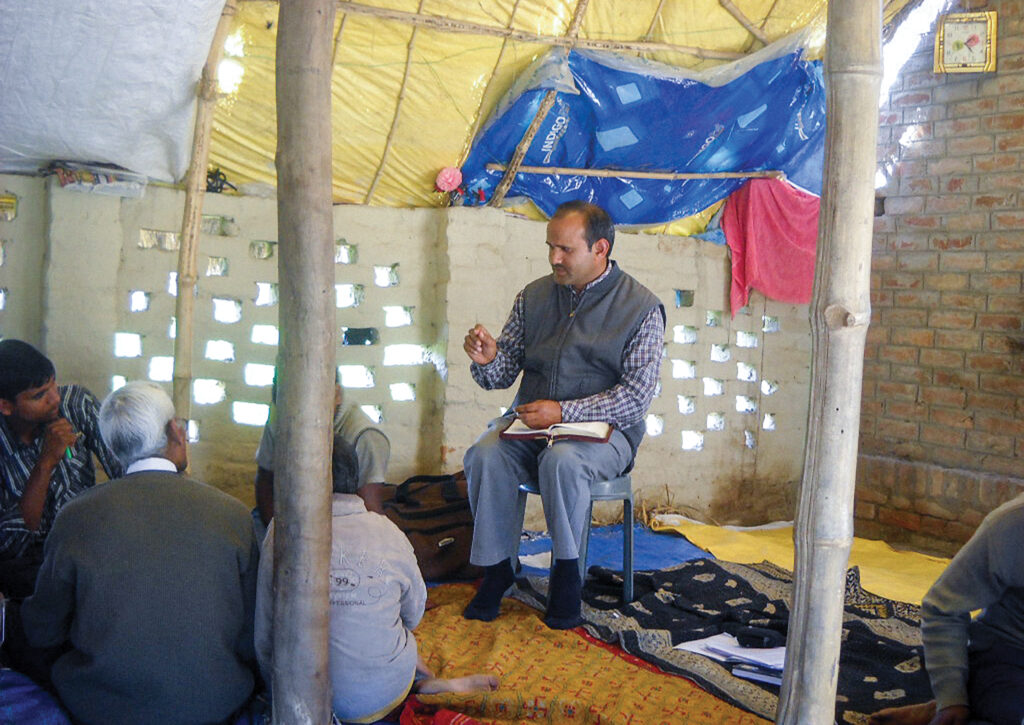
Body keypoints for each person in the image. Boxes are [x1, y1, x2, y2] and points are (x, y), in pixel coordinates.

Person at [461, 200, 665, 629]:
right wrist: (487, 358)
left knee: (562, 459)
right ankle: (499, 570)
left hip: (606, 438)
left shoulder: (641, 309)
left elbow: (635, 400)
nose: (554, 258)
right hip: (531, 429)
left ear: (600, 249)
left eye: (565, 250)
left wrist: (563, 411)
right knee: (484, 453)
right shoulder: (533, 297)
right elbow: (501, 375)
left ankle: (567, 574)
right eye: (551, 247)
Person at [20, 381, 260, 725]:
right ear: (175, 433)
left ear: (113, 447)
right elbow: (252, 635)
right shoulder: (233, 513)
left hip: (102, 709)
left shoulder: (76, 515)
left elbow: (43, 630)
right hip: (211, 704)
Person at [255, 434, 498, 723]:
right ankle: (420, 687)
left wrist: (273, 687)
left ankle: (411, 685)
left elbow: (264, 630)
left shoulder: (278, 533)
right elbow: (414, 614)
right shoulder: (388, 532)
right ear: (354, 477)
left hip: (303, 702)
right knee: (390, 630)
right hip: (384, 696)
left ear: (297, 476)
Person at [869, 493, 1024, 725]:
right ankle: (964, 705)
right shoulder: (1012, 525)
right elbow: (942, 609)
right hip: (1009, 654)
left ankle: (973, 704)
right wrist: (951, 698)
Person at [0, 339, 123, 598]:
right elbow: (13, 540)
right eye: (39, 395)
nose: (54, 398)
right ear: (6, 406)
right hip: (29, 567)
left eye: (53, 384)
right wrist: (45, 464)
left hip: (86, 547)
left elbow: (122, 470)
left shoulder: (75, 404)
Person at [254, 372, 390, 526]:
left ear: (337, 395)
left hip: (342, 528)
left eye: (311, 408)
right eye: (292, 412)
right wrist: (275, 535)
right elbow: (265, 480)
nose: (301, 420)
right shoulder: (281, 413)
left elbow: (369, 514)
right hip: (290, 519)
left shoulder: (365, 437)